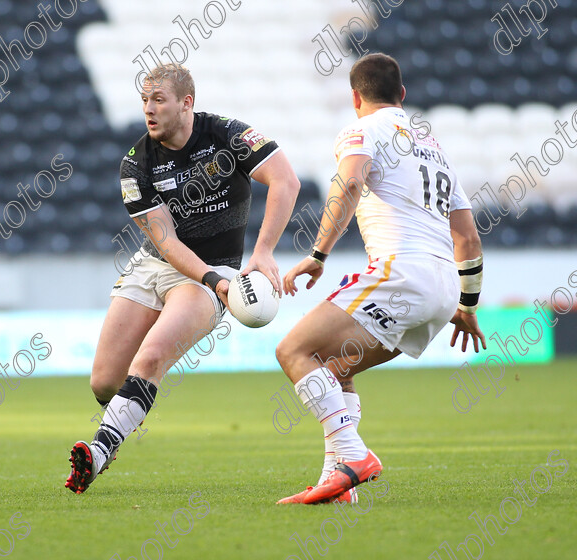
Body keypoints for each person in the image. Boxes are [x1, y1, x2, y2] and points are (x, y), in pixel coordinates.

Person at [65, 63, 301, 494]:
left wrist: (262, 252)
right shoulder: (136, 164)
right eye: (144, 101)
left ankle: (98, 451)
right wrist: (215, 282)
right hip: (159, 265)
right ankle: (117, 429)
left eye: (159, 100)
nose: (149, 110)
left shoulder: (227, 136)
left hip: (210, 274)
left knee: (151, 358)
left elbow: (285, 180)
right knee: (103, 380)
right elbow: (168, 243)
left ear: (186, 102)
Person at [274, 53, 486, 505]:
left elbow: (349, 185)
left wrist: (317, 254)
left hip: (401, 273)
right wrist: (467, 306)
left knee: (292, 350)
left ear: (355, 97)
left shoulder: (361, 129)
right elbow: (467, 237)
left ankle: (355, 456)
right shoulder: (435, 148)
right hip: (444, 289)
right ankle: (337, 484)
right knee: (335, 370)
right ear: (402, 95)